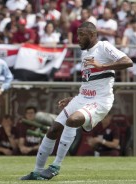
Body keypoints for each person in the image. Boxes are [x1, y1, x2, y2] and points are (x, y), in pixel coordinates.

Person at [20, 21, 133, 180]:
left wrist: (102, 66)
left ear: (92, 35)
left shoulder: (103, 46)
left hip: (100, 100)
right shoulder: (84, 53)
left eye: (82, 35)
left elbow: (128, 61)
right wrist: (74, 98)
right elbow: (88, 81)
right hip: (82, 97)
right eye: (78, 34)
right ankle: (37, 172)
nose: (77, 38)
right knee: (53, 130)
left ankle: (55, 166)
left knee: (73, 120)